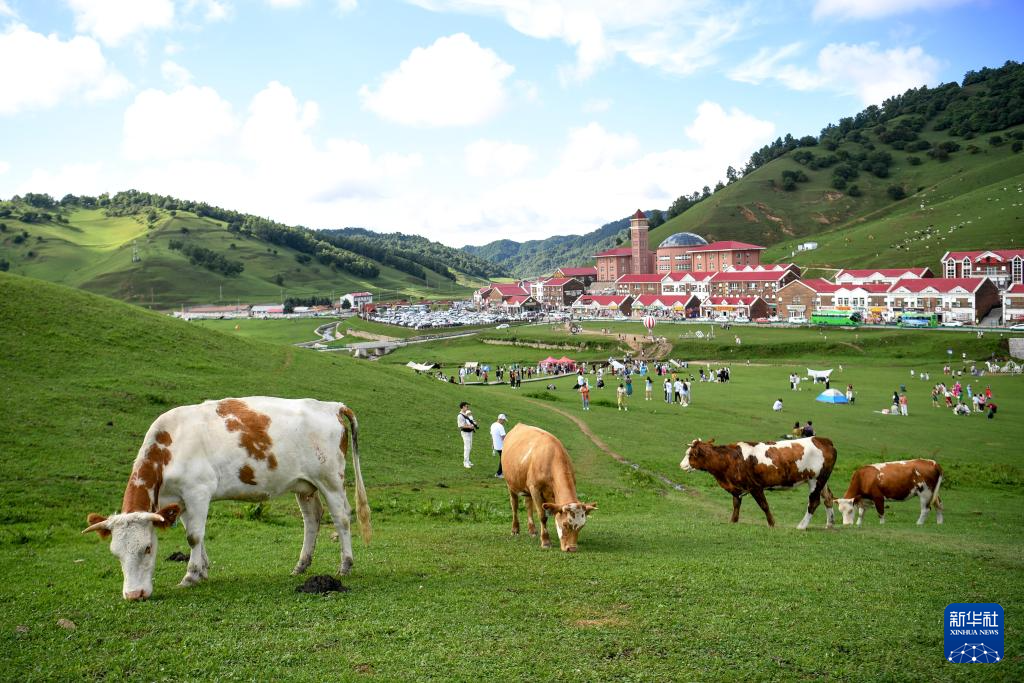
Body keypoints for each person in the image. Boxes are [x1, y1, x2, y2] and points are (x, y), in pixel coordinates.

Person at [457, 402, 477, 469]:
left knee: (470, 447)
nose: (467, 408)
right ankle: (465, 462)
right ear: (462, 407)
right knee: (467, 447)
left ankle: (468, 461)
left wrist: (473, 424)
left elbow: (469, 422)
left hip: (470, 432)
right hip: (465, 433)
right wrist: (469, 427)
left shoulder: (466, 414)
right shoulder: (460, 416)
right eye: (466, 406)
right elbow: (461, 426)